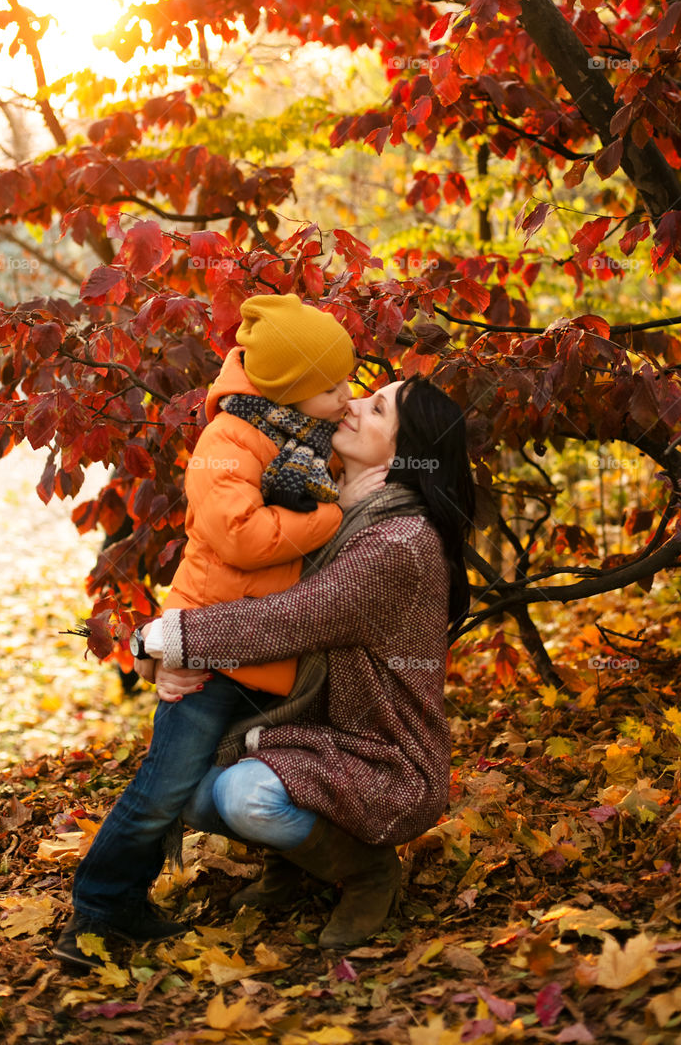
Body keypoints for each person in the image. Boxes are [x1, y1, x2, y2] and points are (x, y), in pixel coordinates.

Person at [54, 293, 360, 967]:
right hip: (213, 651)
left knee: (276, 774)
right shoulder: (227, 440)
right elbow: (243, 537)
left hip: (269, 653)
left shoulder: (298, 433)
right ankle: (100, 914)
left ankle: (299, 871)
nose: (347, 395)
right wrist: (334, 519)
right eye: (331, 384)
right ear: (290, 388)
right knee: (164, 789)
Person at [139, 374, 475, 950]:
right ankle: (298, 862)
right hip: (308, 733)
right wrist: (164, 654)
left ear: (404, 450)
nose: (353, 405)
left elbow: (284, 620)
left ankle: (368, 873)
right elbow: (236, 584)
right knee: (190, 790)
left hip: (383, 756)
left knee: (244, 797)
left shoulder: (398, 543)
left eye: (376, 410)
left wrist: (163, 637)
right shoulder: (333, 507)